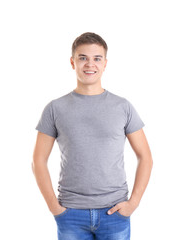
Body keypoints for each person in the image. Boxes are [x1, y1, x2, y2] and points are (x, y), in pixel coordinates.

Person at [32, 32, 153, 240]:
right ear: (72, 62)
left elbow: (145, 157)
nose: (90, 64)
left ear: (105, 63)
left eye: (97, 58)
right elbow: (38, 161)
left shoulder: (123, 107)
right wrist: (54, 206)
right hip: (70, 213)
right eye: (83, 58)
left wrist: (133, 203)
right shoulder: (55, 108)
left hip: (115, 213)